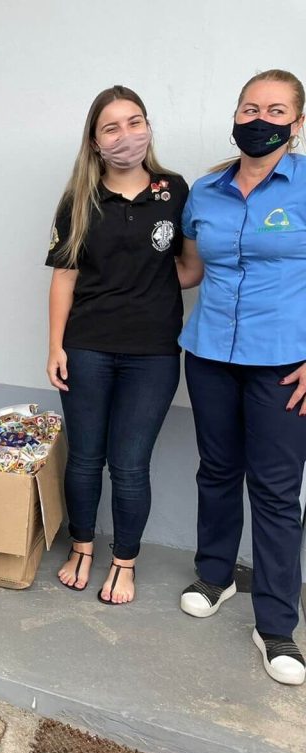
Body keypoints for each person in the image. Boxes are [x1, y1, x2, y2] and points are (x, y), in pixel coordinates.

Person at [175, 69, 306, 686]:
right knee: (218, 469)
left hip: (283, 364)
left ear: (297, 123)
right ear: (235, 115)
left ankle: (276, 625)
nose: (261, 119)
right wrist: (114, 268)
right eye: (250, 108)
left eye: (276, 110)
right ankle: (215, 574)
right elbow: (189, 270)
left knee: (277, 491)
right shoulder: (205, 191)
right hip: (209, 355)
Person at [46, 86, 188, 604]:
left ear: (148, 127)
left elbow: (189, 267)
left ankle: (124, 562)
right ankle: (82, 547)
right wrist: (55, 346)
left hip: (153, 353)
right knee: (85, 458)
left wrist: (148, 287)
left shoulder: (175, 190)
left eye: (135, 122)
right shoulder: (79, 200)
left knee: (130, 465)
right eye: (111, 127)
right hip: (87, 347)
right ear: (95, 141)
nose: (126, 135)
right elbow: (65, 276)